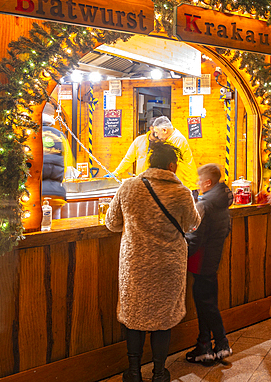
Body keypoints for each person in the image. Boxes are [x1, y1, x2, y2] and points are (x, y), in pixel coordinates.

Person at [106, 141, 200, 382]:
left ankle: (134, 372)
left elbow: (112, 222)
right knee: (163, 318)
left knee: (134, 315)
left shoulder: (128, 188)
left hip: (135, 263)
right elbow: (193, 223)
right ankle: (159, 373)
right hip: (169, 264)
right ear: (171, 165)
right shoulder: (182, 192)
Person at [184, 164, 233, 364]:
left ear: (208, 182)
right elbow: (226, 229)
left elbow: (195, 236)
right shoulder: (222, 201)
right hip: (213, 258)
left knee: (206, 303)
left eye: (199, 180)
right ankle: (204, 346)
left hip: (201, 261)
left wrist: (182, 251)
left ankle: (221, 343)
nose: (197, 183)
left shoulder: (204, 203)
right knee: (205, 302)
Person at [113, 116, 197, 190]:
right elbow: (128, 159)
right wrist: (115, 173)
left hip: (185, 186)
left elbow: (165, 165)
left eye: (157, 132)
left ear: (164, 130)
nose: (157, 136)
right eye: (155, 132)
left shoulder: (177, 140)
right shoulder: (140, 141)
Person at [41, 125, 67, 203]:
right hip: (57, 194)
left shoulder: (31, 134)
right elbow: (66, 162)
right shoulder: (60, 135)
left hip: (37, 193)